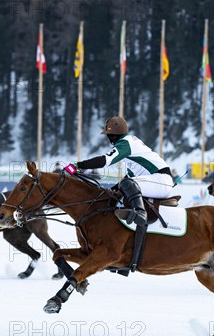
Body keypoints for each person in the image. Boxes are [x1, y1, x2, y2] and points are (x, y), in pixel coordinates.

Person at [63, 116, 175, 271]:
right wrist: (112, 190)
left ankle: (139, 214)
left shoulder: (126, 143)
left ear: (112, 136)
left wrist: (78, 165)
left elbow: (105, 161)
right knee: (121, 188)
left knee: (127, 184)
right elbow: (128, 179)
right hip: (155, 180)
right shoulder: (130, 146)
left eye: (108, 136)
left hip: (161, 180)